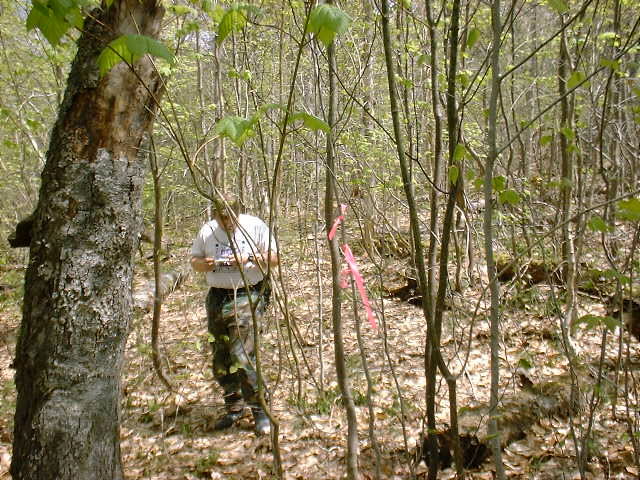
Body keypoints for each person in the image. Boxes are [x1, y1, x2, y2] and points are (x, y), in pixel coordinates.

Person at [190, 195, 278, 435]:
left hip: (247, 294)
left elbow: (275, 258)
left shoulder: (255, 226)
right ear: (215, 214)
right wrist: (204, 264)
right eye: (222, 217)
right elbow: (194, 261)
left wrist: (249, 258)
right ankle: (234, 406)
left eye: (231, 217)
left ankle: (260, 410)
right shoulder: (208, 230)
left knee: (241, 354)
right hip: (217, 296)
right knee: (220, 355)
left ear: (238, 213)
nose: (227, 222)